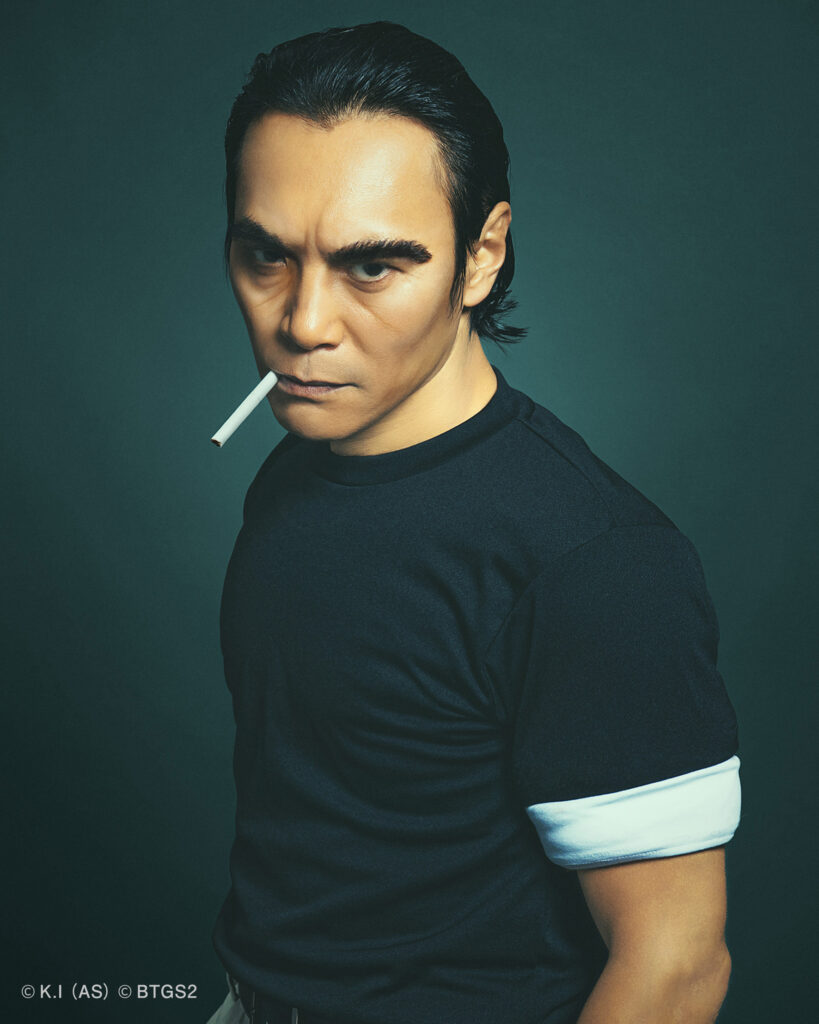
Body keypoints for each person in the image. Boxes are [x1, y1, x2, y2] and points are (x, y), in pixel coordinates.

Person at [206, 21, 741, 1024]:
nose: (303, 322)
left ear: (481, 255)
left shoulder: (595, 563)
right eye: (266, 255)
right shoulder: (293, 473)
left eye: (372, 266)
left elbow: (674, 968)